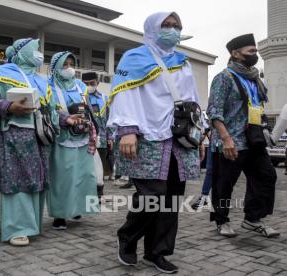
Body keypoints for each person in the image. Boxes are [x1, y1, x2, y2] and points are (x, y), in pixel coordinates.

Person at [109, 12, 203, 274]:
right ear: (152, 28)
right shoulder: (134, 57)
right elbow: (123, 93)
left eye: (177, 26)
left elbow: (193, 100)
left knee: (172, 198)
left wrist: (199, 134)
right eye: (167, 25)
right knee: (153, 195)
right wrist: (127, 129)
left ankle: (156, 252)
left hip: (180, 138)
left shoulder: (183, 62)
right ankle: (127, 237)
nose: (172, 30)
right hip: (146, 135)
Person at [0, 38, 58, 246]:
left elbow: (52, 107)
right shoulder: (1, 73)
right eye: (34, 50)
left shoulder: (41, 80)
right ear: (22, 52)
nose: (38, 54)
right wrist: (8, 106)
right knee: (17, 179)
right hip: (12, 135)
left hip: (39, 137)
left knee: (37, 177)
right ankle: (16, 229)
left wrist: (62, 119)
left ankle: (32, 224)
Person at [207, 33, 278, 238]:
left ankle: (252, 218)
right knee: (224, 184)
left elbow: (257, 107)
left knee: (266, 176)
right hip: (232, 141)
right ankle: (221, 220)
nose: (255, 55)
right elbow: (214, 111)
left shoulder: (254, 78)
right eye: (251, 51)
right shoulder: (224, 78)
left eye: (255, 51)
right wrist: (226, 139)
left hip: (254, 140)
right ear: (235, 54)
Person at [46, 51, 98, 230]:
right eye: (64, 65)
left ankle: (77, 208)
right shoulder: (47, 86)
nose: (69, 68)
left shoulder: (80, 86)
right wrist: (65, 118)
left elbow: (87, 108)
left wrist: (91, 126)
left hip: (82, 136)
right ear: (55, 67)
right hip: (62, 136)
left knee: (84, 175)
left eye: (70, 64)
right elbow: (46, 110)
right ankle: (60, 215)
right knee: (63, 176)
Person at [82, 71, 113, 200]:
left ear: (98, 83)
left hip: (102, 139)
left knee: (100, 167)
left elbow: (110, 119)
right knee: (86, 168)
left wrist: (110, 138)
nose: (89, 86)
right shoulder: (80, 97)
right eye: (86, 84)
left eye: (92, 83)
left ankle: (99, 192)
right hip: (85, 139)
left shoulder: (104, 99)